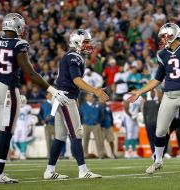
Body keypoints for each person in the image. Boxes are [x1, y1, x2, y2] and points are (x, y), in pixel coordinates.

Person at [0, 13, 69, 184]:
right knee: (5, 132)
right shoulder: (19, 44)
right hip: (8, 90)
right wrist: (52, 90)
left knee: (0, 130)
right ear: (17, 27)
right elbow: (30, 73)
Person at [128, 23, 180, 176]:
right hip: (169, 95)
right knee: (160, 130)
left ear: (173, 35)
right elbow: (157, 79)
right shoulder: (162, 54)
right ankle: (158, 160)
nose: (163, 40)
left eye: (164, 36)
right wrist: (139, 92)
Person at [43, 29, 109, 180]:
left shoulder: (71, 56)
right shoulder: (74, 56)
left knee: (60, 136)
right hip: (64, 97)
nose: (88, 45)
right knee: (76, 133)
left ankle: (49, 171)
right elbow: (76, 80)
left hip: (61, 96)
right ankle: (83, 170)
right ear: (77, 42)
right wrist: (95, 91)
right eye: (85, 42)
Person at [79, 93, 103, 159]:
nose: (91, 97)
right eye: (89, 96)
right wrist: (82, 123)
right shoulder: (82, 106)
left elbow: (101, 114)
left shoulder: (98, 105)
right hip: (86, 125)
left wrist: (99, 122)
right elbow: (79, 115)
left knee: (99, 140)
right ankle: (84, 154)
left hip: (96, 125)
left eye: (92, 96)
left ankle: (100, 155)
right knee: (85, 140)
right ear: (86, 98)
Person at [13, 95, 36, 160]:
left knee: (23, 140)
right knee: (15, 140)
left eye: (24, 100)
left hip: (24, 126)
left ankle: (22, 153)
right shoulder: (16, 107)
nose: (23, 101)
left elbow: (31, 116)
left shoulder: (28, 107)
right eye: (22, 100)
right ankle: (19, 152)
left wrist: (30, 123)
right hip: (17, 126)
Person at [123, 86, 143, 158]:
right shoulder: (127, 96)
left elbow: (140, 109)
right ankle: (127, 152)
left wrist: (139, 115)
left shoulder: (139, 98)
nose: (135, 91)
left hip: (135, 118)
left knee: (135, 135)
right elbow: (126, 108)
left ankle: (134, 152)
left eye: (136, 90)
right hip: (128, 117)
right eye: (134, 90)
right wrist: (131, 116)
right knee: (129, 134)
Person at [38, 92, 55, 158]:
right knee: (48, 140)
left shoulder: (55, 103)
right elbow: (40, 114)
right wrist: (41, 120)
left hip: (56, 124)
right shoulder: (43, 104)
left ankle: (57, 154)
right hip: (47, 125)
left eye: (52, 94)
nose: (51, 96)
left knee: (57, 141)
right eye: (49, 94)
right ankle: (49, 154)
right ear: (46, 96)